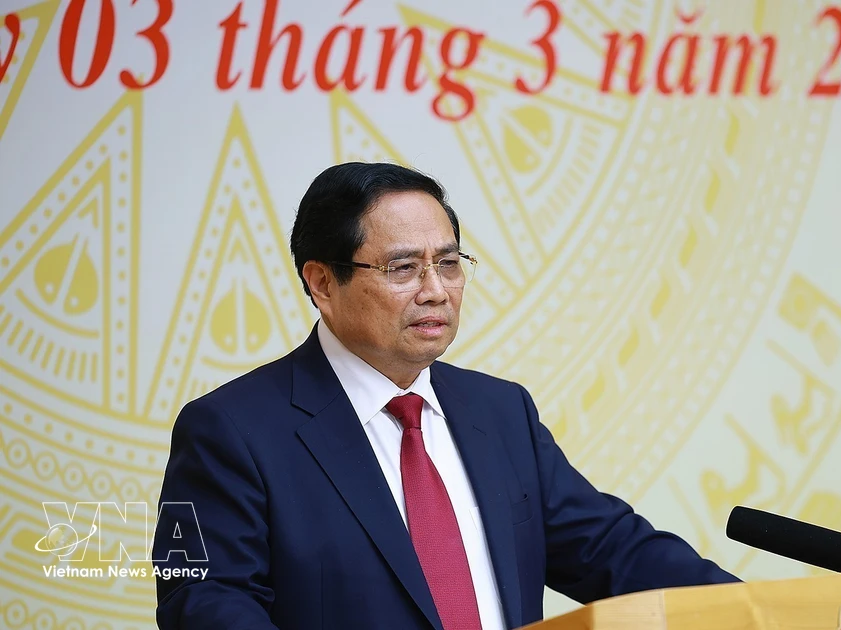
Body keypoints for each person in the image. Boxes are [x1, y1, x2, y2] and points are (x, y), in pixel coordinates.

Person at [152, 162, 740, 630]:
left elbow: (613, 552)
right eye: (403, 268)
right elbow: (205, 604)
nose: (436, 290)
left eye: (450, 264)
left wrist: (760, 611)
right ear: (323, 282)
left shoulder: (500, 412)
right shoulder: (231, 431)